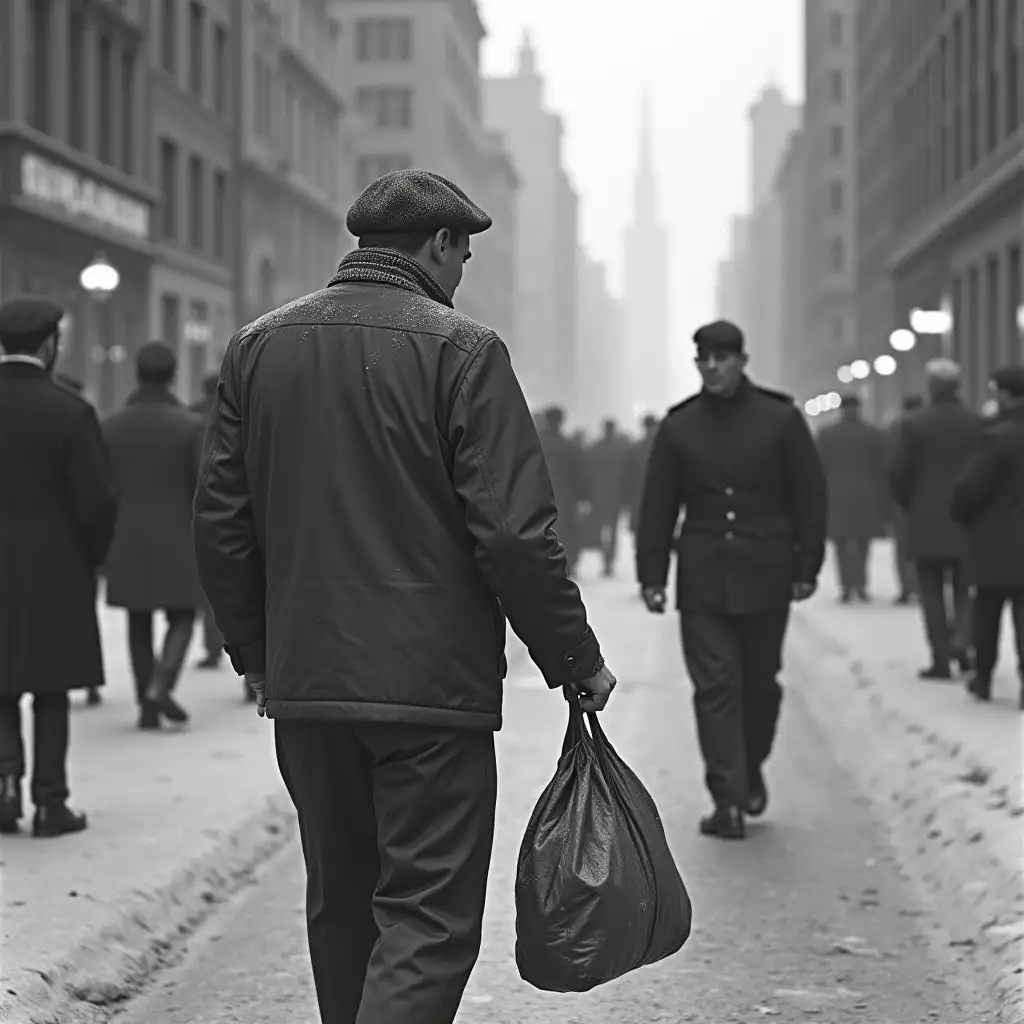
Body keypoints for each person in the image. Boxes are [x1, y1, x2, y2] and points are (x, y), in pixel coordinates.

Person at [192, 169, 616, 1024]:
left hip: (311, 684)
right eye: (463, 253)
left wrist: (261, 659)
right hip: (432, 694)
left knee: (342, 905)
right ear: (439, 245)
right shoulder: (464, 351)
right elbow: (512, 533)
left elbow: (220, 527)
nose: (464, 273)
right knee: (425, 915)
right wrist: (574, 660)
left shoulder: (257, 348)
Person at [635, 319, 827, 840]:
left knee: (760, 686)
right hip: (703, 579)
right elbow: (657, 505)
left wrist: (806, 565)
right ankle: (728, 798)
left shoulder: (780, 419)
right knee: (716, 688)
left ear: (743, 360)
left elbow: (809, 496)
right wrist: (652, 573)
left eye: (722, 358)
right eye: (704, 359)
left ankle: (750, 767)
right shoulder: (679, 426)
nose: (713, 367)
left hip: (766, 574)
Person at [0, 298, 118, 837]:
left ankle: (4, 788)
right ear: (49, 345)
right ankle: (51, 801)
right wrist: (89, 559)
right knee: (51, 689)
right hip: (55, 568)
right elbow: (96, 503)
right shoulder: (71, 411)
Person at [103, 343, 205, 729]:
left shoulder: (111, 426)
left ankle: (145, 704)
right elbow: (200, 486)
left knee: (138, 618)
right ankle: (161, 684)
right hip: (177, 533)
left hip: (126, 533)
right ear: (173, 374)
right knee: (183, 614)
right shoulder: (189, 426)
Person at [889, 358, 984, 680]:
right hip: (968, 517)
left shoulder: (914, 424)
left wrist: (909, 504)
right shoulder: (977, 423)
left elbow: (900, 473)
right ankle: (963, 640)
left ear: (931, 386)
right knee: (965, 587)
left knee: (930, 591)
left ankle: (940, 658)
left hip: (925, 515)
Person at [950, 366, 1024, 709]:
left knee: (987, 614)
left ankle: (984, 677)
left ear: (1005, 395)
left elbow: (969, 488)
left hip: (996, 542)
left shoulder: (996, 437)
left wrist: (963, 516)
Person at [55, 372, 106, 705]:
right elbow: (96, 493)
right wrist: (98, 549)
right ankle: (82, 680)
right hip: (67, 543)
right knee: (75, 611)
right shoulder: (74, 415)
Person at [815, 393, 889, 602]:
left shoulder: (827, 434)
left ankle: (847, 586)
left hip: (837, 495)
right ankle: (861, 584)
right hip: (866, 495)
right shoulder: (873, 434)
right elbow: (882, 468)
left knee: (841, 543)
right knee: (863, 543)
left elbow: (819, 466)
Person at [188, 373, 228, 676]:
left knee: (209, 588)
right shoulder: (236, 410)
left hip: (202, 506)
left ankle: (213, 648)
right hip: (236, 503)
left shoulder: (191, 415)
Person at [536, 406, 588, 576]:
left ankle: (544, 565)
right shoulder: (569, 446)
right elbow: (579, 474)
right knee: (567, 532)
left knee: (541, 531)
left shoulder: (536, 443)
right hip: (566, 497)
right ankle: (567, 564)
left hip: (539, 495)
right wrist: (582, 497)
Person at [585, 418, 631, 576]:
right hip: (615, 495)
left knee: (601, 528)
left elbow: (588, 472)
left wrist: (588, 494)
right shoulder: (622, 450)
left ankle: (604, 557)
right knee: (612, 529)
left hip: (598, 495)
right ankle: (609, 560)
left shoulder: (594, 448)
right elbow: (626, 475)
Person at [889, 395, 924, 604]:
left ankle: (906, 588)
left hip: (905, 499)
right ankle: (919, 587)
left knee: (904, 548)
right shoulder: (930, 426)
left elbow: (893, 466)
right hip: (933, 500)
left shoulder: (898, 429)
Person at [625, 413, 660, 535]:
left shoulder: (636, 447)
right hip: (655, 494)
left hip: (639, 493)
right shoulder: (663, 447)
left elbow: (628, 474)